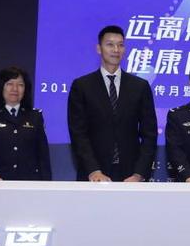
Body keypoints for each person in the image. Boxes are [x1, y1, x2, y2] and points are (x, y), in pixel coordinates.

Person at [67, 25, 158, 181]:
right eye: (110, 44)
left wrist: (139, 174)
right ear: (99, 48)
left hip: (130, 175)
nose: (116, 49)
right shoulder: (82, 86)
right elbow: (78, 134)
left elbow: (149, 134)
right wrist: (93, 170)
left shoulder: (140, 86)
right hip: (94, 174)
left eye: (120, 45)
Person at [0, 66, 52, 181]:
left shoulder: (35, 116)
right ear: (1, 87)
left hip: (30, 182)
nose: (15, 89)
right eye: (10, 84)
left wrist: (46, 183)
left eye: (20, 85)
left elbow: (43, 154)